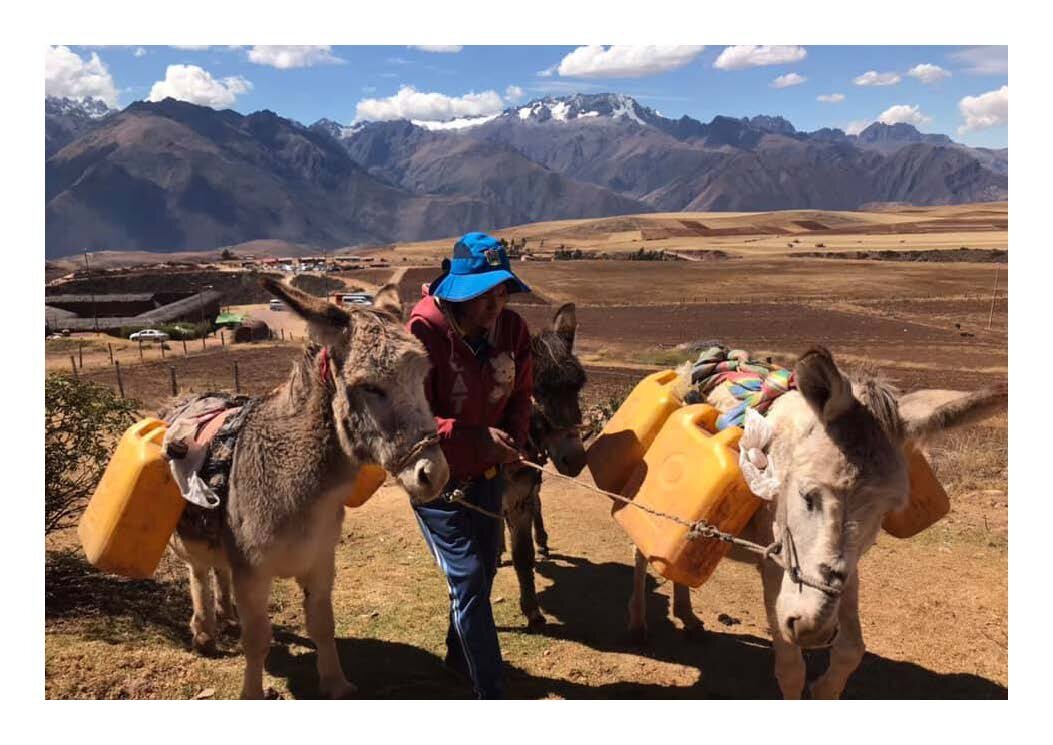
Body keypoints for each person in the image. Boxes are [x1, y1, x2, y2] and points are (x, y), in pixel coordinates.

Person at [406, 232, 533, 699]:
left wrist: (515, 437)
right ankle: (491, 692)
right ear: (461, 293)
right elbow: (410, 419)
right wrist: (474, 438)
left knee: (486, 566)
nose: (495, 304)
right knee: (468, 577)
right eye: (485, 294)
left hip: (489, 474)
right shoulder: (423, 333)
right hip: (435, 477)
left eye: (502, 292)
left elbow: (521, 393)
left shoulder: (513, 332)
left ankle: (459, 657)